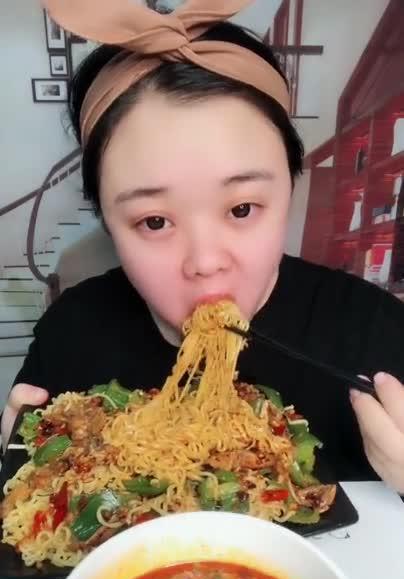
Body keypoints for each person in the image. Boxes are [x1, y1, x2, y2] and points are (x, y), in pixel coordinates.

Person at [2, 0, 404, 493]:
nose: (206, 262)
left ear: (289, 189)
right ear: (106, 218)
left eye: (242, 209)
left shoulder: (376, 332)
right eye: (154, 221)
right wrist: (24, 481)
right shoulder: (71, 334)